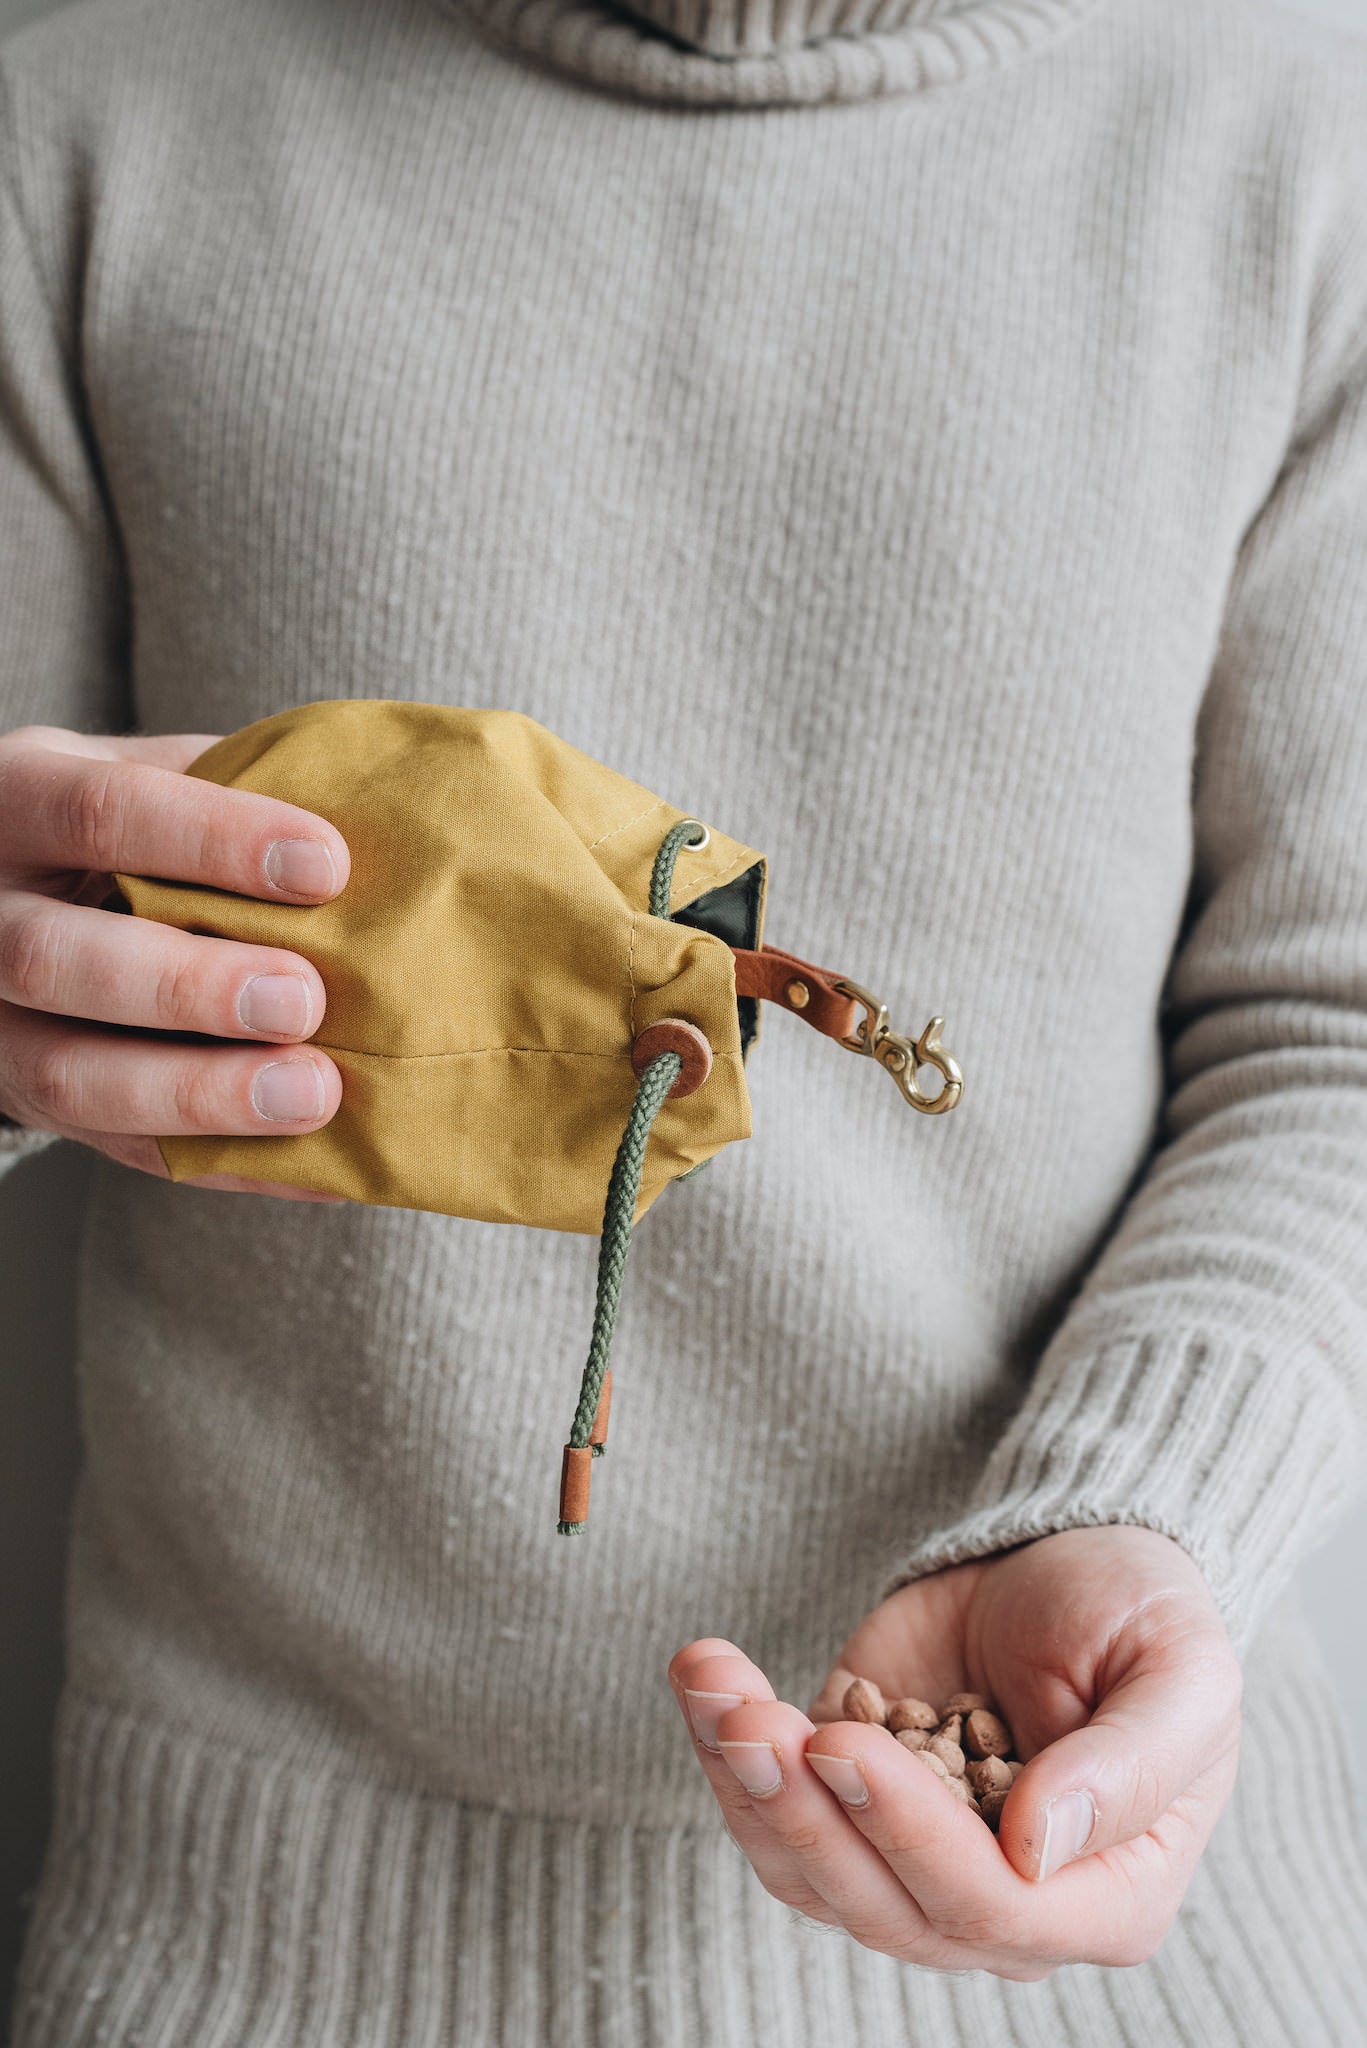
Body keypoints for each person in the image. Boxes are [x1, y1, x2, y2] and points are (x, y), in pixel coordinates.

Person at [3, 0, 1367, 2039]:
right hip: (246, 1942)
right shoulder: (80, 95)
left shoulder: (1305, 134)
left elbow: (1333, 1028)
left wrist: (1140, 1500)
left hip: (1135, 1941)